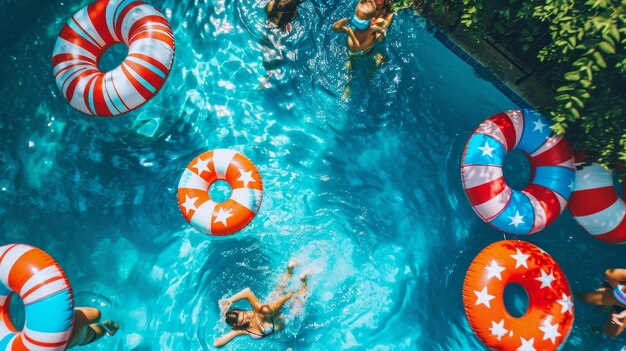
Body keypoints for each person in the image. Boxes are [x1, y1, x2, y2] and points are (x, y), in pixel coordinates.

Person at [214, 260, 309, 347]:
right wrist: (223, 316)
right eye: (243, 321)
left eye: (244, 314)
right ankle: (291, 268)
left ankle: (303, 279)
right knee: (279, 289)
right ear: (238, 325)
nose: (247, 318)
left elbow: (247, 292)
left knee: (297, 300)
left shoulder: (258, 311)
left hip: (285, 316)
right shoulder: (241, 329)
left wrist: (230, 300)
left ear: (242, 311)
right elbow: (217, 344)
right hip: (270, 309)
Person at [579, 269, 626, 338]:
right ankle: (610, 302)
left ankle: (610, 305)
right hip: (616, 290)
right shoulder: (615, 276)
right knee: (586, 298)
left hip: (620, 300)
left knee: (610, 333)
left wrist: (621, 315)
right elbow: (609, 274)